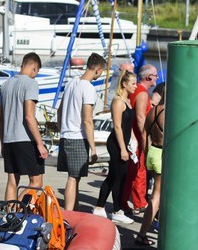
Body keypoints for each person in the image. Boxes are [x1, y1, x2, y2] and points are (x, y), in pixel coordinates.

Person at [0, 52, 49, 202]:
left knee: (12, 181)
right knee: (36, 182)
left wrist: (2, 143)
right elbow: (29, 116)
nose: (35, 75)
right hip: (25, 139)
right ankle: (18, 209)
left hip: (8, 140)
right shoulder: (31, 84)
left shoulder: (5, 85)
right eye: (36, 72)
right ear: (34, 68)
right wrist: (40, 144)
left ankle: (9, 213)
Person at [57, 53, 106, 211]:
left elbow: (60, 110)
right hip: (77, 137)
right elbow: (87, 120)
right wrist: (93, 148)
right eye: (101, 72)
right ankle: (68, 214)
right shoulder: (88, 88)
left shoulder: (71, 82)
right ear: (98, 70)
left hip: (65, 135)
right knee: (73, 178)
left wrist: (61, 128)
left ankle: (74, 210)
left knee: (74, 178)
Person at [93, 69, 137, 225]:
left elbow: (127, 125)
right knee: (119, 177)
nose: (135, 86)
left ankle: (99, 207)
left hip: (124, 143)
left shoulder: (128, 101)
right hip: (116, 143)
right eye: (133, 83)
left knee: (113, 176)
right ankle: (117, 211)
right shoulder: (118, 101)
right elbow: (117, 127)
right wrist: (123, 149)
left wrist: (132, 140)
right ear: (124, 84)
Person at [124, 64, 158, 214]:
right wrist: (146, 138)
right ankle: (139, 202)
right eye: (155, 76)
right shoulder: (142, 93)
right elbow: (140, 118)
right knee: (140, 170)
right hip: (138, 137)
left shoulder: (135, 89)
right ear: (149, 77)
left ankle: (128, 201)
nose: (157, 78)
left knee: (133, 171)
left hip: (131, 135)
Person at [136, 82, 166, 245]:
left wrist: (147, 152)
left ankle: (151, 228)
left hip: (153, 152)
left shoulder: (153, 110)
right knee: (156, 197)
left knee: (158, 195)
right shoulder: (168, 113)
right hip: (162, 154)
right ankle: (142, 234)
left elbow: (145, 132)